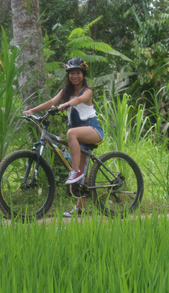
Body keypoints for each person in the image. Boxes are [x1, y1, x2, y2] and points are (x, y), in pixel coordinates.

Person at [23, 57, 104, 217]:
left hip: (93, 129)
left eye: (78, 73)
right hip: (79, 135)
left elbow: (80, 100)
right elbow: (51, 102)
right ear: (68, 75)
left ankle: (75, 172)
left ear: (83, 74)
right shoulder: (65, 92)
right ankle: (80, 208)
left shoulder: (87, 91)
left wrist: (67, 104)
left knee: (70, 134)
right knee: (83, 171)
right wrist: (31, 110)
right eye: (71, 73)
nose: (75, 76)